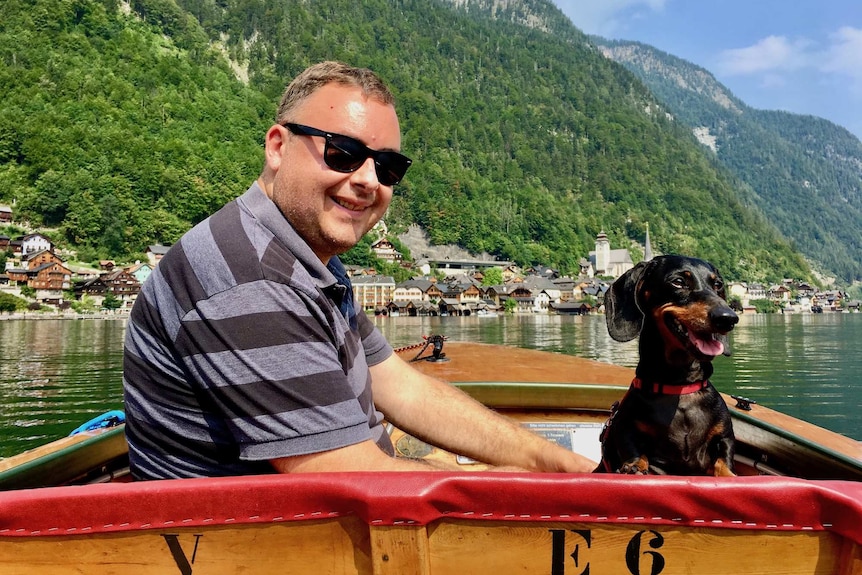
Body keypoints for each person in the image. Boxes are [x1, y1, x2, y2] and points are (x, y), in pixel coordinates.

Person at [122, 61, 596, 479]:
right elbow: (348, 478)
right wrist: (539, 485)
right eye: (342, 153)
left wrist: (552, 461)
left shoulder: (308, 258)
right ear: (277, 147)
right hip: (253, 543)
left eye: (388, 167)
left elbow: (397, 385)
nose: (369, 180)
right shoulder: (251, 278)